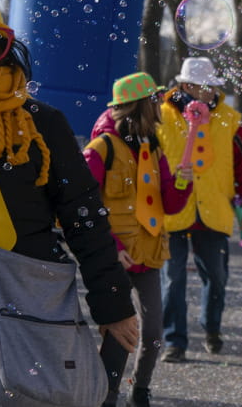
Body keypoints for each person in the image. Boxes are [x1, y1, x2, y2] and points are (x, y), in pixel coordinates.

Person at [0, 0, 138, 405]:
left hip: (25, 319)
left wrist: (112, 303)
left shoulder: (40, 123)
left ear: (3, 50)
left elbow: (85, 217)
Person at [84, 72, 193, 407]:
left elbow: (170, 206)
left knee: (154, 334)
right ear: (140, 106)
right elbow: (80, 206)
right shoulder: (101, 149)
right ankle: (107, 397)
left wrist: (182, 182)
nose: (160, 107)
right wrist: (111, 249)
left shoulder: (153, 149)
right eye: (154, 102)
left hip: (148, 255)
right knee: (119, 333)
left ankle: (140, 391)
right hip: (115, 257)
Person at [156, 57, 242, 362]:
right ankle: (174, 340)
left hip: (214, 209)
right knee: (172, 279)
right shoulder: (159, 117)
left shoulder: (230, 119)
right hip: (171, 211)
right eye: (206, 87)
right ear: (186, 86)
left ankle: (212, 327)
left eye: (214, 87)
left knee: (216, 276)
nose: (212, 92)